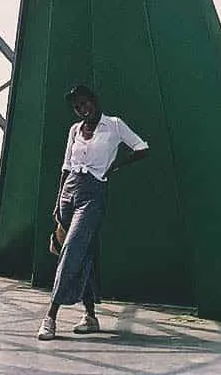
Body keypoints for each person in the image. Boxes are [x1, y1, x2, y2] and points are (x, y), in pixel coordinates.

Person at [37, 84, 149, 341]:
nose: (82, 109)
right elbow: (66, 167)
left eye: (85, 103)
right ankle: (90, 316)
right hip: (69, 192)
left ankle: (51, 316)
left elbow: (142, 148)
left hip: (93, 193)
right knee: (82, 253)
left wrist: (113, 167)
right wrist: (57, 202)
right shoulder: (74, 130)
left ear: (95, 101)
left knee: (73, 248)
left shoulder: (115, 125)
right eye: (77, 106)